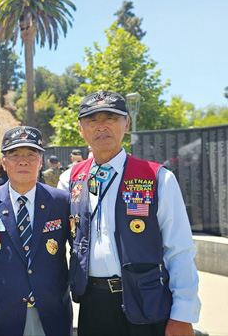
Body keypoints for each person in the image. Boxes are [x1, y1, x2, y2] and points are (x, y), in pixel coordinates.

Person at [58, 91, 201, 336]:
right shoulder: (69, 180)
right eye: (92, 120)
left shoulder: (157, 177)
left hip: (146, 302)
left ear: (126, 124)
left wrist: (183, 314)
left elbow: (179, 249)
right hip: (93, 303)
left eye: (111, 118)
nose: (101, 126)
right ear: (80, 129)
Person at [0, 126, 73, 336]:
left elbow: (76, 252)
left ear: (41, 161)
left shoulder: (61, 202)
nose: (23, 161)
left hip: (51, 310)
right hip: (0, 313)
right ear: (4, 162)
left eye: (31, 154)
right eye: (14, 154)